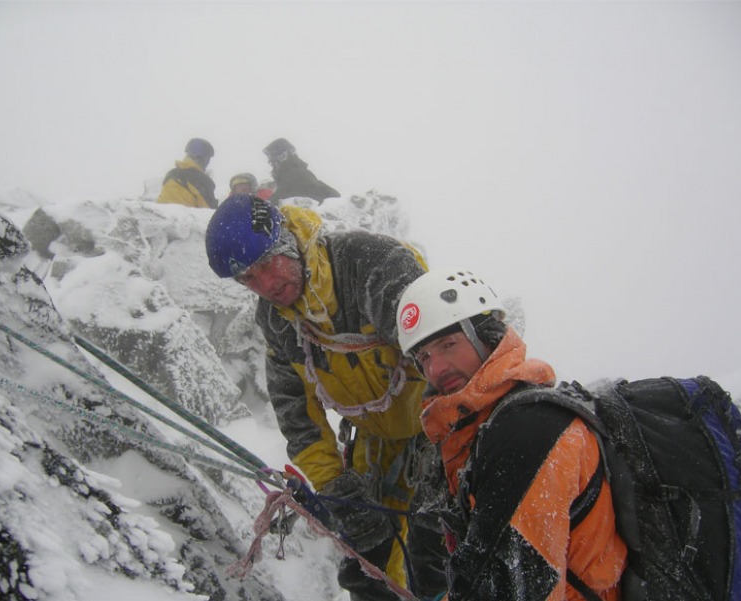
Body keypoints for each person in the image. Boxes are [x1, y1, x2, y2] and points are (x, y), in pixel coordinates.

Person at [204, 194, 447, 601]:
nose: (266, 286)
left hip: (438, 426)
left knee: (435, 556)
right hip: (375, 441)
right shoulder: (278, 321)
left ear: (287, 240)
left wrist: (444, 454)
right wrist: (335, 485)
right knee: (368, 566)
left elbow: (440, 354)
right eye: (248, 278)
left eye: (267, 263)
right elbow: (297, 415)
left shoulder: (370, 265)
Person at [396, 268, 628, 601]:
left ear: (486, 336)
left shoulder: (529, 432)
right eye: (424, 357)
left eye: (448, 344)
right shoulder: (482, 424)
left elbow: (513, 589)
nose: (436, 368)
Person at [262, 138, 340, 206]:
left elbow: (277, 200)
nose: (272, 166)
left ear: (280, 159)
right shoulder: (298, 171)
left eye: (272, 162)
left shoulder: (294, 175)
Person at [157, 138, 218, 208]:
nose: (208, 163)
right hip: (185, 215)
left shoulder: (171, 174)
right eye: (208, 159)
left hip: (160, 214)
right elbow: (210, 210)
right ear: (201, 158)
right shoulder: (202, 180)